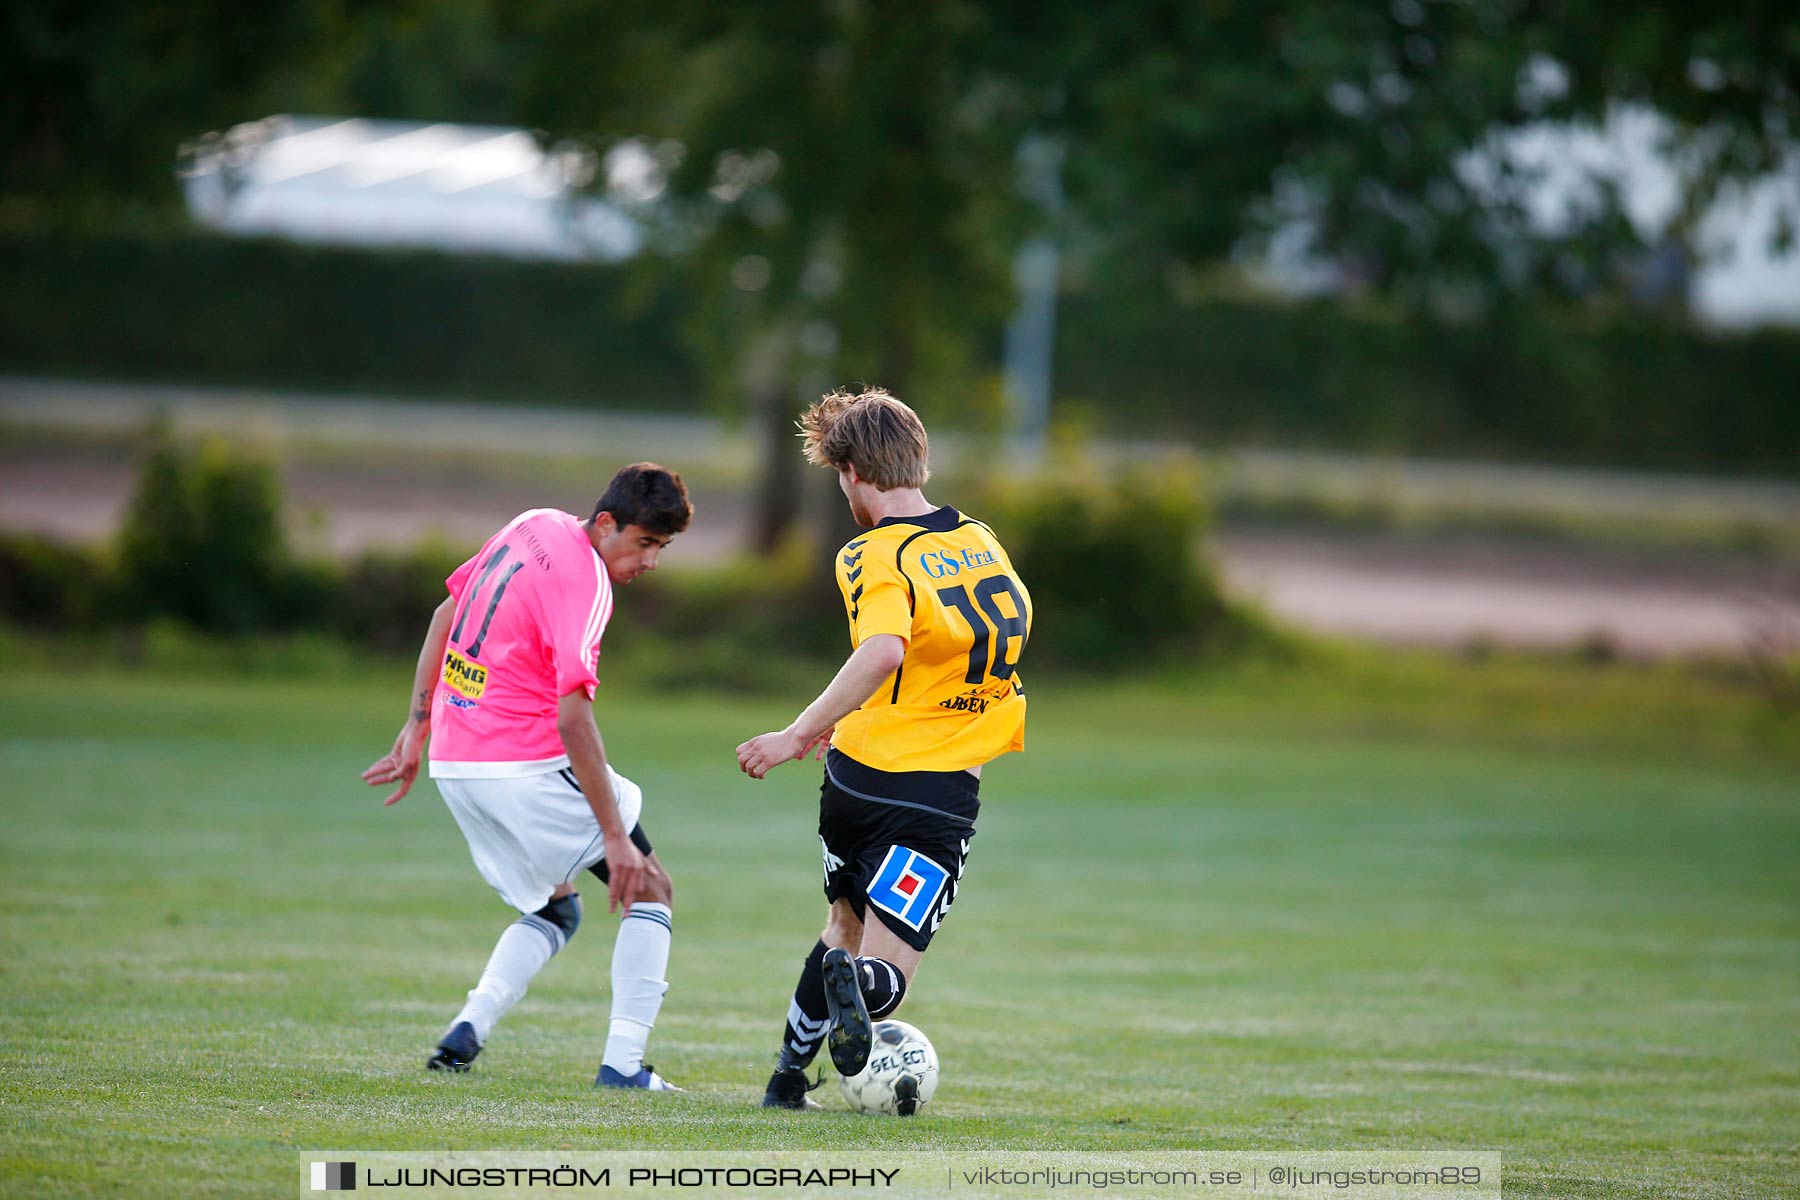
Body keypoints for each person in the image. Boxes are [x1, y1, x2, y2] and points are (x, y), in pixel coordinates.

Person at [736, 388, 1033, 1110]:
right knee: (890, 972)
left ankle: (785, 1080)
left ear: (853, 474)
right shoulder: (980, 540)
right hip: (933, 797)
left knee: (842, 924)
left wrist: (802, 734)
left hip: (856, 783)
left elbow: (886, 648)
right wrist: (804, 729)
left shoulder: (870, 553)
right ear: (918, 460)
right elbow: (896, 651)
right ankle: (861, 988)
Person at [362, 462, 692, 1091]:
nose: (651, 561)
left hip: (457, 763)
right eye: (645, 542)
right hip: (524, 765)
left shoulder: (533, 523)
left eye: (663, 548)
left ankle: (468, 1027)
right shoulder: (589, 586)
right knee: (650, 889)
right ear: (605, 523)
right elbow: (574, 720)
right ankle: (623, 1068)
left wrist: (417, 724)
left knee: (554, 908)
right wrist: (616, 838)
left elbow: (444, 614)